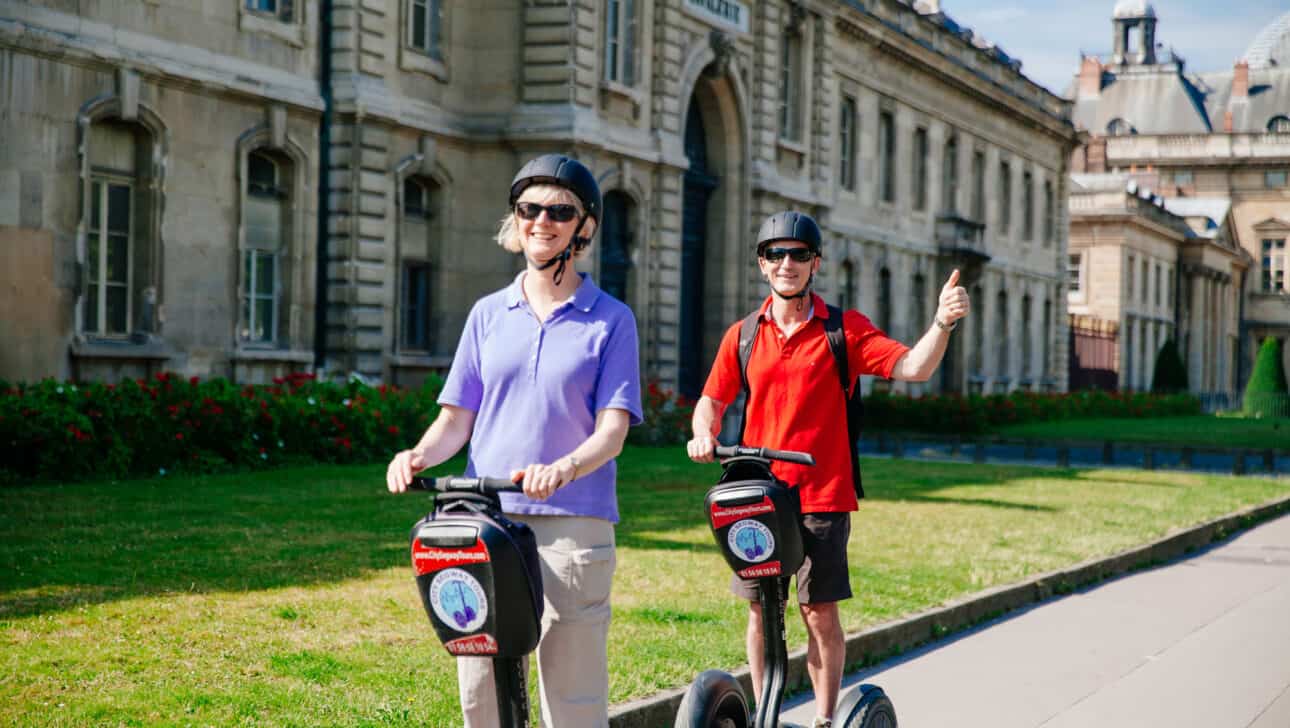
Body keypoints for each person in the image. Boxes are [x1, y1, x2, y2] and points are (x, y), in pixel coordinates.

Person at [387, 154, 643, 728]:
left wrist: (565, 467)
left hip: (572, 522)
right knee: (481, 692)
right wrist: (418, 455)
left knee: (571, 697)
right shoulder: (487, 314)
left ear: (586, 226)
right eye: (529, 209)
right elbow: (457, 420)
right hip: (485, 520)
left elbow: (613, 430)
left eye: (559, 210)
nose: (541, 221)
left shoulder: (610, 320)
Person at [686, 211, 969, 728]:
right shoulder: (744, 334)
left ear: (815, 263)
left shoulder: (843, 329)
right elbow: (711, 398)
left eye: (798, 254)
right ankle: (764, 717)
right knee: (759, 611)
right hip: (757, 496)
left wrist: (942, 324)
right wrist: (704, 432)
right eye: (776, 253)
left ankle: (821, 719)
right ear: (762, 264)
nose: (786, 263)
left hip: (822, 494)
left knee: (818, 613)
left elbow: (914, 367)